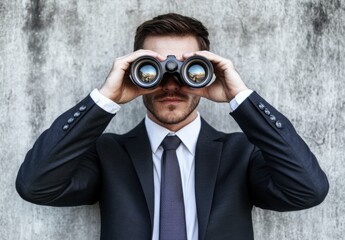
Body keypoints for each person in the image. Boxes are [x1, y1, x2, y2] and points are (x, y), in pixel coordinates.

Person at [16, 13, 329, 240]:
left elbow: (307, 191)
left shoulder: (241, 154)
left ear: (208, 71)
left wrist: (240, 97)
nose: (171, 84)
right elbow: (35, 185)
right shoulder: (108, 153)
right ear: (135, 71)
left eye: (188, 69)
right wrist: (104, 99)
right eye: (153, 69)